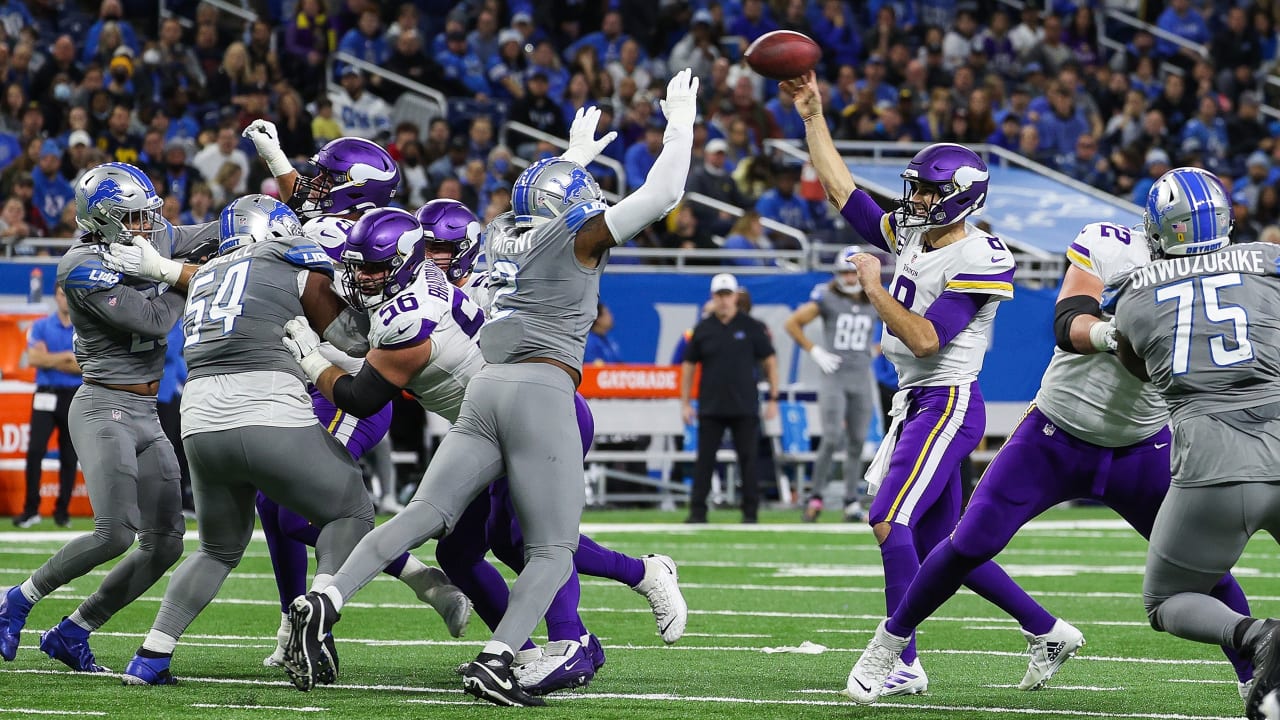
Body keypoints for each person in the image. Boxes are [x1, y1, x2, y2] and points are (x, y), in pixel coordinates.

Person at [282, 68, 698, 706]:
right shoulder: (572, 235)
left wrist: (570, 159)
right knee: (549, 548)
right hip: (541, 391)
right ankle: (503, 656)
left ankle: (328, 597)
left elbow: (539, 205)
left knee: (425, 516)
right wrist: (679, 125)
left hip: (484, 395)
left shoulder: (502, 232)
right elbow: (662, 193)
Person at [841, 214, 1259, 703]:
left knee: (1203, 566)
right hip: (1053, 435)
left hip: (1142, 444)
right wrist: (1114, 336)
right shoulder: (1112, 245)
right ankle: (889, 646)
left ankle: (1254, 678)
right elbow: (1068, 322)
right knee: (967, 544)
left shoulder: (1231, 279)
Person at [783, 70, 1069, 702]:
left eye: (925, 191)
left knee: (887, 518)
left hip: (945, 401)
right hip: (913, 402)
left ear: (960, 199)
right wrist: (813, 118)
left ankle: (902, 657)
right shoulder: (914, 231)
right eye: (913, 190)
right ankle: (1046, 630)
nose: (912, 200)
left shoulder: (981, 255)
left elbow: (925, 340)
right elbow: (844, 192)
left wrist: (874, 286)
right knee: (948, 546)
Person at [418, 197, 686, 696]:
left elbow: (491, 333)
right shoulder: (414, 290)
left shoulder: (488, 281)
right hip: (483, 430)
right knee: (460, 550)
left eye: (440, 249)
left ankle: (575, 638)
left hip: (540, 416)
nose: (429, 258)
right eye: (424, 248)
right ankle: (520, 650)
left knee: (531, 539)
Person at [107, 195, 378, 684]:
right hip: (266, 403)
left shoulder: (206, 271)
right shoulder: (288, 254)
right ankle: (316, 616)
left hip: (199, 419)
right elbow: (351, 338)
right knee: (350, 510)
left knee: (216, 549)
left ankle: (151, 654)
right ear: (276, 229)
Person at [236, 128, 463, 663]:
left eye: (328, 178)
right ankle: (299, 617)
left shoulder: (352, 236)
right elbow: (302, 203)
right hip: (322, 383)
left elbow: (290, 224)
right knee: (274, 502)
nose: (313, 184)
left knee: (299, 511)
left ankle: (328, 620)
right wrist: (274, 158)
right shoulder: (348, 224)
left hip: (348, 387)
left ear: (355, 190)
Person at [0, 162, 216, 674]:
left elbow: (206, 232)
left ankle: (74, 630)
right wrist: (188, 276)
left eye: (149, 216)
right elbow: (153, 318)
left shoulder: (150, 234)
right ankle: (18, 600)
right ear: (106, 219)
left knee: (165, 543)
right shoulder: (79, 265)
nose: (149, 226)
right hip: (103, 406)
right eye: (136, 217)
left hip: (146, 412)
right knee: (115, 532)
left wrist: (261, 221)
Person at [1109, 167, 1280, 720]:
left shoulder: (1133, 296)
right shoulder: (1268, 260)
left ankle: (1256, 635)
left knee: (1166, 601)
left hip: (1211, 464)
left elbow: (1137, 365)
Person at [783, 248, 876, 523]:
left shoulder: (874, 297)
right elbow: (793, 323)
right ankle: (816, 497)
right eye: (844, 272)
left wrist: (880, 348)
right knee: (832, 437)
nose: (848, 277)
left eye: (852, 271)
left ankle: (850, 500)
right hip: (835, 375)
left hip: (861, 376)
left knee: (858, 440)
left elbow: (898, 323)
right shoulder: (827, 296)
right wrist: (814, 351)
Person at [680, 273, 778, 524]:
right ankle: (697, 512)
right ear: (713, 297)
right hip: (711, 405)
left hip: (744, 404)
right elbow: (689, 366)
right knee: (705, 460)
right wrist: (685, 402)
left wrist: (774, 397)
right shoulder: (702, 329)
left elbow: (770, 359)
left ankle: (750, 513)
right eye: (719, 295)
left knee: (749, 459)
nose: (723, 301)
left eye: (727, 295)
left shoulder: (751, 327)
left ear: (735, 296)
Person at [17, 285, 81, 529]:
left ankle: (62, 511)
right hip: (45, 394)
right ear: (55, 297)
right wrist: (66, 356)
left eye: (68, 295)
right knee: (35, 451)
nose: (64, 299)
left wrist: (51, 360)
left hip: (73, 395)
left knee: (69, 455)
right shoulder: (43, 325)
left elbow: (84, 366)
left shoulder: (82, 328)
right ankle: (30, 509)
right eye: (61, 294)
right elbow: (33, 359)